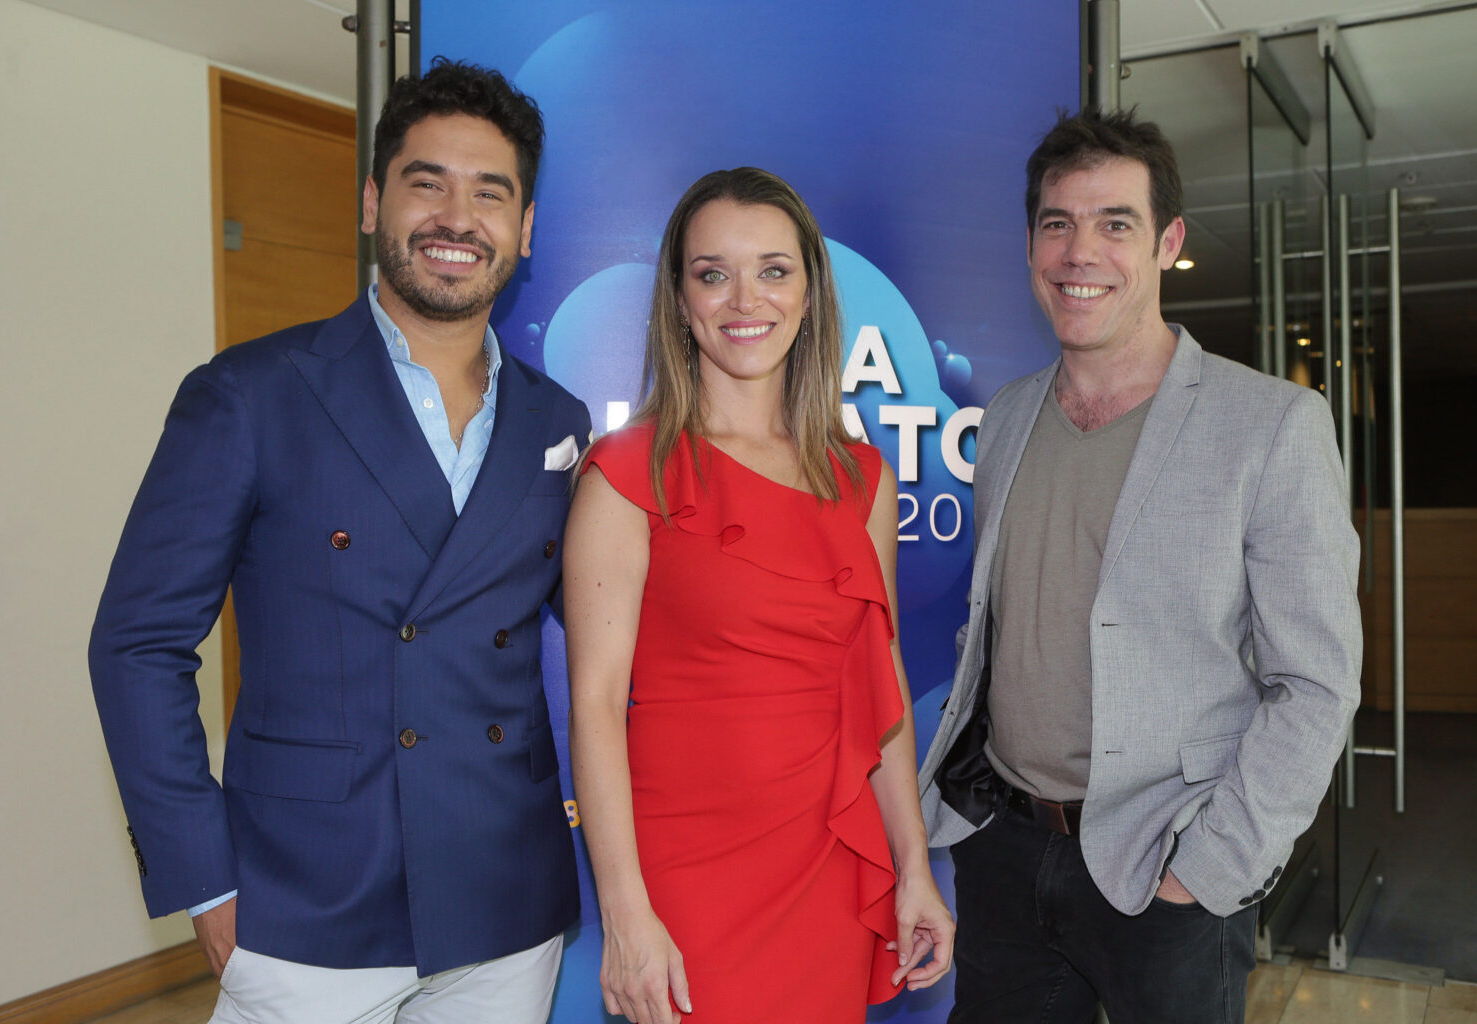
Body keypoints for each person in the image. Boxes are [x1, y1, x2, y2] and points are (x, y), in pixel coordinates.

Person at [89, 60, 589, 1024]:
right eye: (426, 182)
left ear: (525, 229)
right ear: (371, 203)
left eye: (490, 193)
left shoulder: (557, 421)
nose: (456, 217)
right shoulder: (248, 394)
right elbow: (137, 644)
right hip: (301, 904)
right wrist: (203, 879)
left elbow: (604, 628)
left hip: (505, 897)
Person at [918, 108, 1363, 1023]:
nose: (1080, 252)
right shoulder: (1004, 419)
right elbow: (1003, 627)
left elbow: (1316, 685)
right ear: (1031, 246)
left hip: (1168, 869)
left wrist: (1210, 868)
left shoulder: (1271, 425)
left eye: (1114, 223)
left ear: (1167, 243)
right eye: (1057, 223)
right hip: (1006, 851)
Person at [563, 168, 954, 1024]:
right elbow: (595, 703)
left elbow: (879, 686)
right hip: (686, 877)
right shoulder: (626, 474)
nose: (746, 300)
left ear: (809, 293)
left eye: (774, 270)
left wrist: (913, 866)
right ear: (680, 301)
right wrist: (626, 915)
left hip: (826, 864)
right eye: (714, 274)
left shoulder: (862, 478)